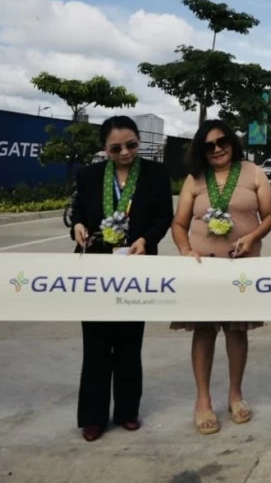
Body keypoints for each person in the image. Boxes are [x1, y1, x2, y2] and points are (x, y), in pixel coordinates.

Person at [69, 115, 174, 442]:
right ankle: (93, 417)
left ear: (139, 141)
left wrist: (147, 239)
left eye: (131, 145)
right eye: (116, 148)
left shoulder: (155, 174)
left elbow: (163, 217)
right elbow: (78, 212)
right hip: (97, 269)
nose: (125, 152)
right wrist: (77, 228)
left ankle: (128, 411)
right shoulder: (90, 175)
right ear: (105, 148)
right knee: (96, 345)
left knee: (129, 343)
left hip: (136, 265)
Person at [170, 121, 271, 435]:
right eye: (209, 145)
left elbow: (270, 215)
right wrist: (186, 250)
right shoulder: (195, 180)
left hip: (240, 268)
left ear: (233, 142)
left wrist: (253, 236)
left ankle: (235, 395)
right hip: (204, 268)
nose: (217, 149)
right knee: (203, 332)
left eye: (222, 142)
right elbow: (179, 224)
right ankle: (202, 401)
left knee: (236, 331)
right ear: (201, 150)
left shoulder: (253, 172)